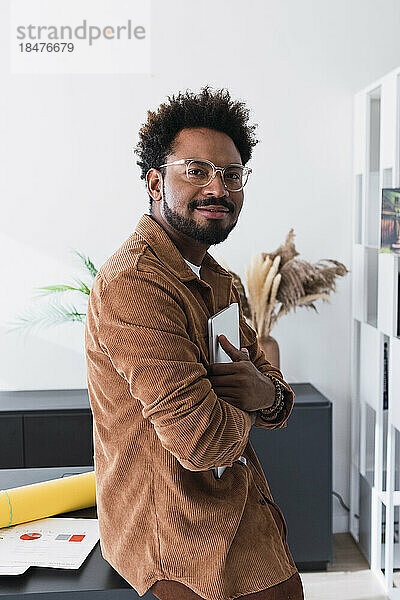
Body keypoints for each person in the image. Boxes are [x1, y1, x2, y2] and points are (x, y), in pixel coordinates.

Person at [85, 86, 304, 600]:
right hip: (173, 531)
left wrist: (262, 394)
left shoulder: (217, 276)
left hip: (238, 500)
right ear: (155, 182)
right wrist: (254, 399)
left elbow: (275, 397)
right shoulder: (134, 284)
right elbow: (202, 442)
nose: (218, 188)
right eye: (197, 170)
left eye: (232, 174)